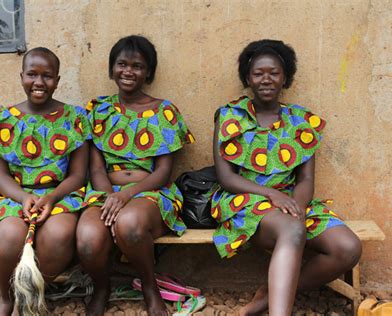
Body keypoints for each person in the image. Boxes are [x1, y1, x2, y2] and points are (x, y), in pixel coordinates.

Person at [211, 39, 362, 316]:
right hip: (244, 200)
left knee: (348, 248)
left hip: (292, 202)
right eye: (258, 73)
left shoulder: (301, 122)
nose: (266, 80)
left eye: (274, 73)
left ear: (286, 78)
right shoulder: (230, 116)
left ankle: (267, 296)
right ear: (247, 77)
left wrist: (299, 209)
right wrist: (273, 195)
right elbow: (225, 178)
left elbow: (305, 180)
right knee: (293, 230)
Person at [76, 35, 194, 316]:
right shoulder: (98, 110)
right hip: (106, 191)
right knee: (88, 239)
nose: (128, 71)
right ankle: (102, 287)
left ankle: (150, 287)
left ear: (148, 72)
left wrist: (125, 195)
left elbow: (164, 173)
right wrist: (110, 196)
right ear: (112, 68)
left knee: (129, 224)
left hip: (152, 192)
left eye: (138, 66)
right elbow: (96, 168)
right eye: (122, 64)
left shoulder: (164, 112)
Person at [0, 47, 91, 315]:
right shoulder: (3, 121)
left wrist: (51, 197)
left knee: (58, 235)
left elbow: (77, 175)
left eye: (47, 76)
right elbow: (1, 178)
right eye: (32, 74)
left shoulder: (75, 119)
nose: (39, 82)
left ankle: (33, 292)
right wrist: (24, 198)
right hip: (15, 196)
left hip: (61, 195)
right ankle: (7, 297)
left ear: (58, 80)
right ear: (21, 76)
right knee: (7, 235)